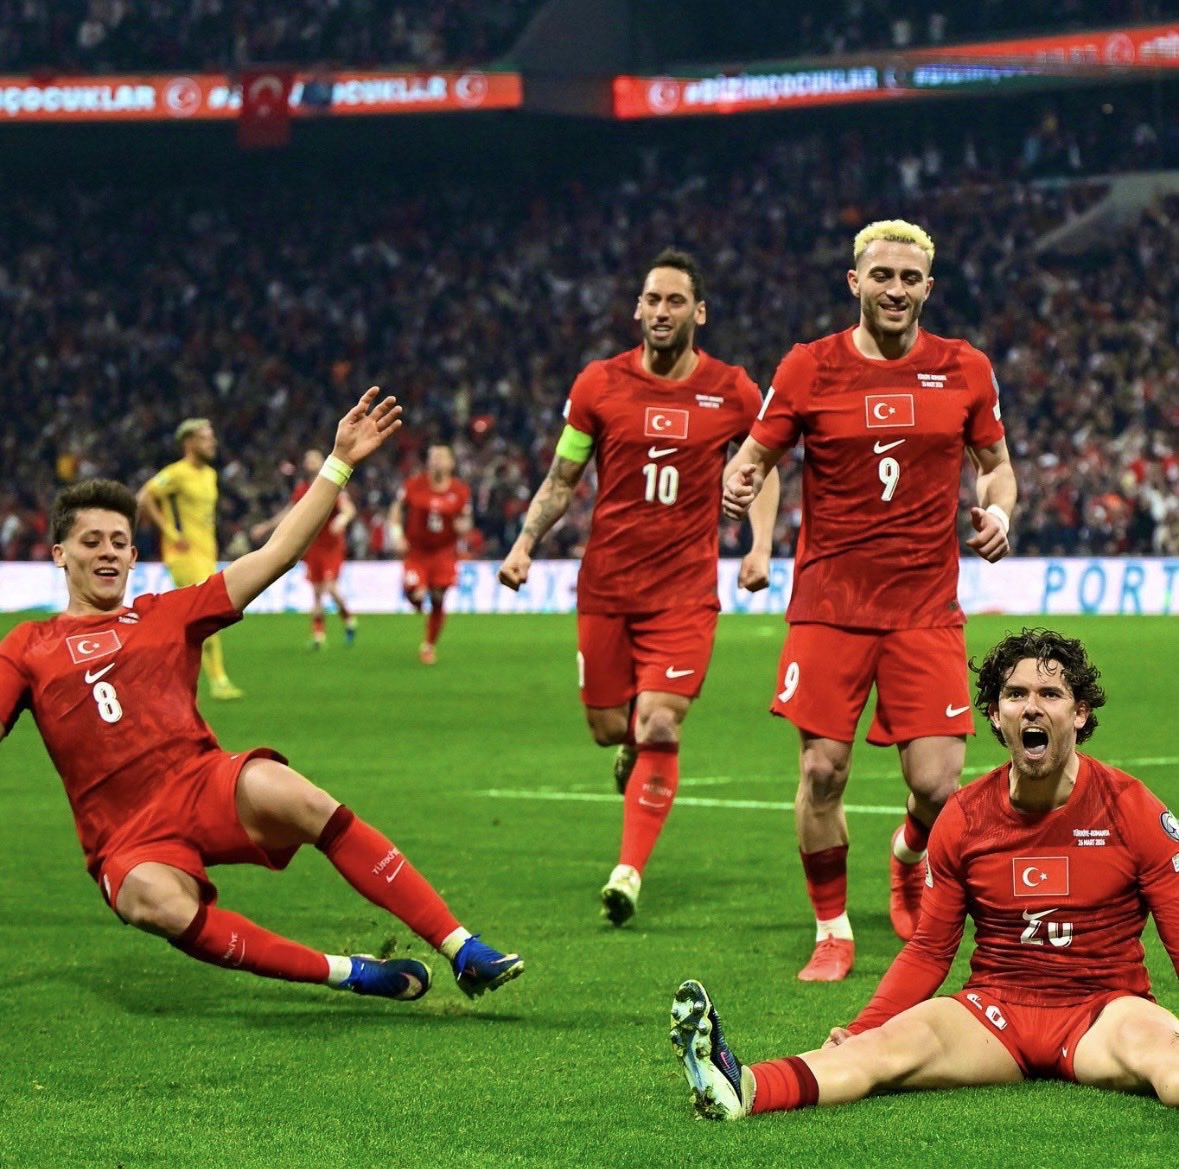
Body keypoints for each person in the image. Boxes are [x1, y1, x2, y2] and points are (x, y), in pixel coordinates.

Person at [0, 389, 523, 1005]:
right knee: (159, 905)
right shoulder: (27, 644)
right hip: (125, 838)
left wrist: (338, 464)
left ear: (135, 556)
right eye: (91, 541)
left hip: (201, 785)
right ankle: (349, 972)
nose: (106, 551)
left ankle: (461, 946)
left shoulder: (166, 613)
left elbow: (276, 554)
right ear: (59, 555)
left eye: (118, 541)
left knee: (294, 792)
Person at [670, 628, 1179, 1119]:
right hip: (994, 1013)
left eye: (1050, 693)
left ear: (1080, 712)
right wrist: (865, 1026)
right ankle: (743, 1086)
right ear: (996, 717)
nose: (1031, 707)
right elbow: (930, 949)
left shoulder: (1131, 809)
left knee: (1169, 1064)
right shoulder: (964, 817)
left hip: (1103, 1012)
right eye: (1015, 694)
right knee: (876, 1052)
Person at [722, 218, 1018, 981]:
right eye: (880, 276)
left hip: (924, 606)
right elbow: (757, 452)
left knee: (936, 784)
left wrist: (998, 510)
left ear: (928, 286)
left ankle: (908, 852)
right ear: (854, 281)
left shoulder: (963, 367)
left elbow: (996, 465)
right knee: (821, 770)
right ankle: (831, 928)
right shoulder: (807, 366)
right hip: (830, 601)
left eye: (909, 278)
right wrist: (740, 477)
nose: (895, 289)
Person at [498, 248, 780, 927]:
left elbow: (763, 466)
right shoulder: (598, 384)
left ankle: (627, 871)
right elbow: (564, 477)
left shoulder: (732, 390)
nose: (660, 311)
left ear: (698, 313)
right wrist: (524, 542)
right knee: (607, 729)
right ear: (636, 309)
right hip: (606, 587)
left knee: (660, 719)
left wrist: (759, 544)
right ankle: (630, 746)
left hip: (683, 591)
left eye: (674, 301)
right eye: (651, 300)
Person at [136, 418, 243, 700]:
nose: (213, 442)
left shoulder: (210, 474)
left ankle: (157, 671)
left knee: (194, 617)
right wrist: (170, 531)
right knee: (206, 614)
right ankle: (218, 680)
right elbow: (144, 497)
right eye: (206, 438)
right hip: (184, 555)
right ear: (190, 443)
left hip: (207, 553)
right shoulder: (175, 473)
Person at [251, 448, 358, 649]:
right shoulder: (302, 489)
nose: (309, 463)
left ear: (323, 463)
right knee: (317, 592)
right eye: (307, 460)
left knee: (331, 587)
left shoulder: (332, 483)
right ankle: (318, 636)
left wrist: (342, 520)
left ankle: (349, 620)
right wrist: (266, 526)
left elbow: (349, 509)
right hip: (313, 545)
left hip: (332, 546)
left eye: (313, 460)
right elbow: (290, 511)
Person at [388, 443, 472, 665]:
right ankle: (415, 599)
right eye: (433, 457)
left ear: (451, 463)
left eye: (442, 457)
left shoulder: (459, 490)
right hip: (416, 551)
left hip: (444, 552)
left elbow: (465, 519)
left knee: (437, 598)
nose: (437, 461)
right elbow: (396, 510)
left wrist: (463, 526)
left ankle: (428, 645)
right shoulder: (414, 485)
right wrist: (396, 534)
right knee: (414, 591)